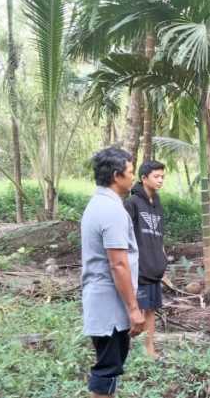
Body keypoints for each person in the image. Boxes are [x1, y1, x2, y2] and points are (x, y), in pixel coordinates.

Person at [80, 147, 145, 398]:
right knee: (107, 370)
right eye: (130, 172)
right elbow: (118, 264)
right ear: (117, 176)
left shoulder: (99, 204)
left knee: (109, 368)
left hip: (104, 301)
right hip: (110, 305)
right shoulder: (111, 210)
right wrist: (133, 309)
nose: (133, 177)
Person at [124, 160, 167, 359]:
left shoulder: (157, 204)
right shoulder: (132, 204)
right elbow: (124, 237)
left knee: (150, 310)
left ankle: (149, 349)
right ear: (144, 178)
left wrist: (162, 260)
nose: (160, 180)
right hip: (139, 268)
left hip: (154, 268)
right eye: (156, 176)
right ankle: (127, 349)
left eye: (162, 177)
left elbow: (159, 236)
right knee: (136, 312)